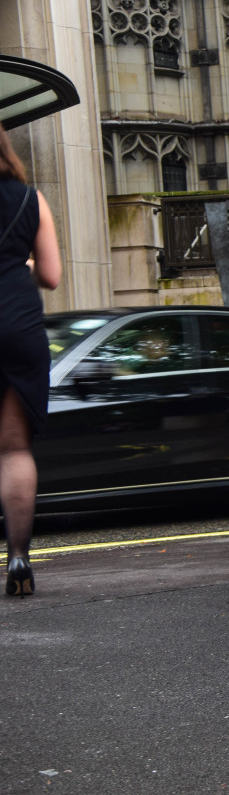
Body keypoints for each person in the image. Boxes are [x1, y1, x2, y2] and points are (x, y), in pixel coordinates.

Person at [0, 125, 62, 597]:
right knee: (14, 450)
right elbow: (52, 276)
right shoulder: (30, 200)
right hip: (18, 326)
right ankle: (19, 556)